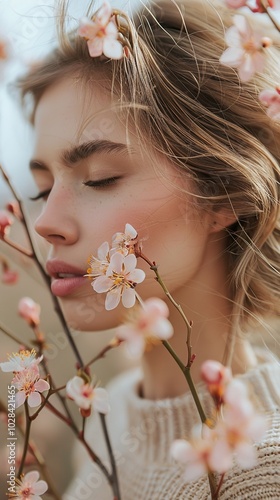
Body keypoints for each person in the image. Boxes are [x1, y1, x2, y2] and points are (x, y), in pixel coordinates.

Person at [17, 0, 280, 498]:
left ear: (222, 193)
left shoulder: (262, 472)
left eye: (100, 179)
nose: (46, 223)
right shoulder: (107, 420)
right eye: (41, 189)